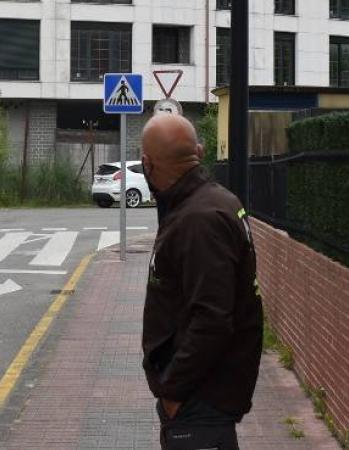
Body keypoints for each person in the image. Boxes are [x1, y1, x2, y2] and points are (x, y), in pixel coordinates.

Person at [140, 114, 263, 450]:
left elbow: (212, 319)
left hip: (200, 401)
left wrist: (173, 392)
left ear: (148, 164)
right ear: (200, 151)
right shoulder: (215, 201)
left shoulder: (199, 220)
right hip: (205, 397)